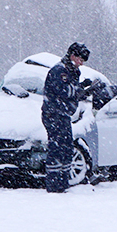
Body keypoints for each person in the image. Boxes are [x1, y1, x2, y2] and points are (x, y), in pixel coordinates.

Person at [41, 42, 92, 193]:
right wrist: (79, 90)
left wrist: (82, 87)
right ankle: (54, 184)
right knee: (57, 148)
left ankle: (62, 182)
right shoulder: (59, 70)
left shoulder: (71, 70)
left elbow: (71, 88)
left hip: (63, 114)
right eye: (80, 59)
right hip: (54, 114)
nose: (81, 63)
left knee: (66, 148)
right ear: (73, 55)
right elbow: (62, 90)